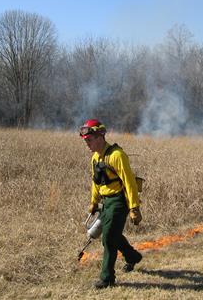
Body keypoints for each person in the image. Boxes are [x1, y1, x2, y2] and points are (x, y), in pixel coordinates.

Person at [80, 118, 143, 289]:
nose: (87, 143)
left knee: (108, 237)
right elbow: (96, 182)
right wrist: (93, 202)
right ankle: (133, 257)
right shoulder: (94, 158)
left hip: (119, 202)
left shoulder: (117, 155)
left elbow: (129, 182)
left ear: (100, 136)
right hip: (106, 202)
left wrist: (134, 207)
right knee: (113, 234)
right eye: (85, 141)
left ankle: (107, 278)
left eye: (89, 140)